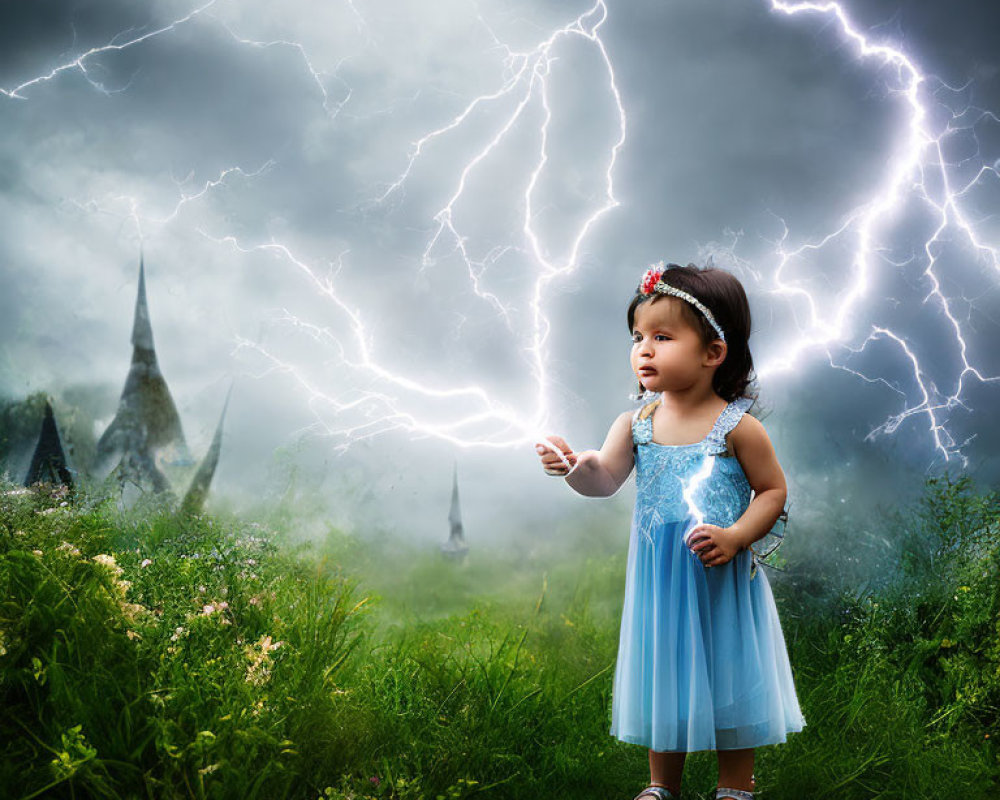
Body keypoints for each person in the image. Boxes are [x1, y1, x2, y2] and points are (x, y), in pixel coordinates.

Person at [535, 263, 805, 800]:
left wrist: (735, 537)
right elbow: (605, 478)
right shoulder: (633, 424)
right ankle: (663, 785)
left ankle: (734, 787)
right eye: (638, 337)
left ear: (713, 352)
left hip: (720, 577)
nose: (644, 349)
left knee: (732, 673)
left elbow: (773, 491)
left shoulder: (739, 427)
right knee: (665, 676)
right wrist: (573, 467)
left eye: (662, 336)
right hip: (660, 582)